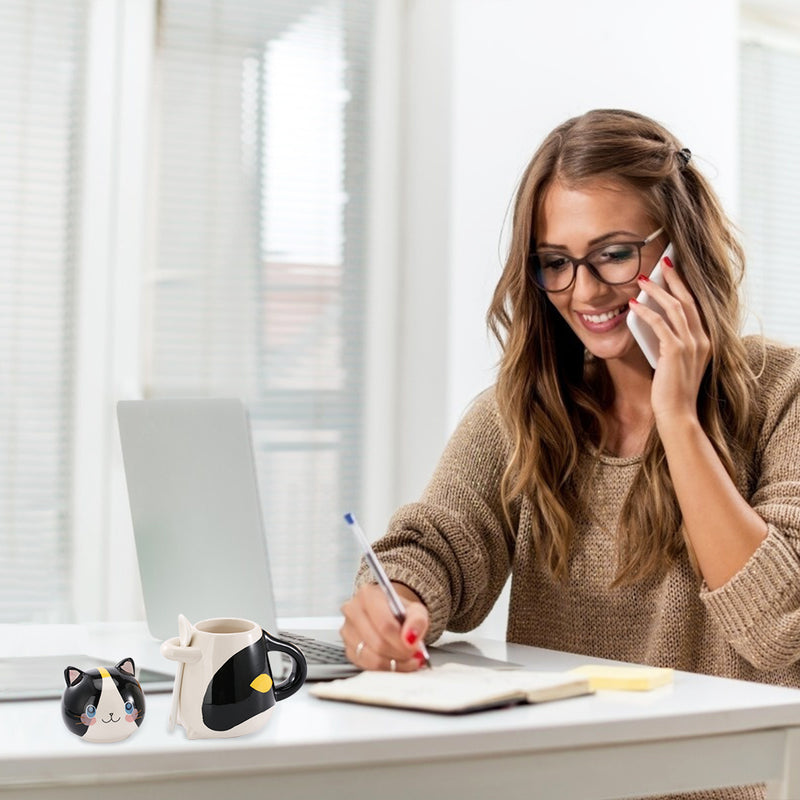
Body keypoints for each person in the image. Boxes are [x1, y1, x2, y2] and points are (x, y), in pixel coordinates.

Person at [340, 108, 800, 799]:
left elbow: (781, 632)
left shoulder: (782, 394)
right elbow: (437, 542)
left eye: (613, 253)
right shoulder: (525, 408)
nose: (582, 292)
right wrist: (395, 599)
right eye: (555, 263)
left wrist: (677, 415)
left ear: (681, 245)